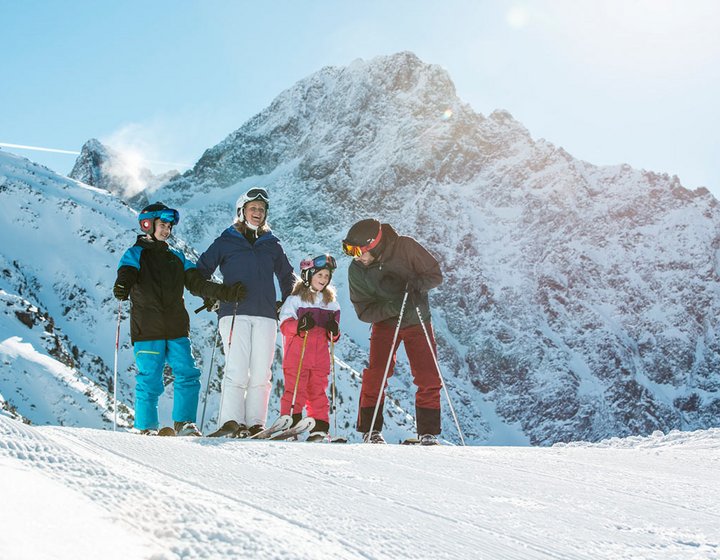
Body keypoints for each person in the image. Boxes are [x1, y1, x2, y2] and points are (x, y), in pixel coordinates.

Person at [113, 202, 246, 436]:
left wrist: (225, 292)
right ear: (148, 224)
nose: (167, 230)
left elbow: (197, 284)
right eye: (162, 225)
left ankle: (184, 423)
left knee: (187, 373)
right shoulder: (135, 253)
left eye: (169, 226)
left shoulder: (177, 257)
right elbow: (127, 273)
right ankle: (146, 428)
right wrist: (123, 284)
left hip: (176, 328)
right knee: (150, 379)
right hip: (147, 328)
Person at [197, 187, 295, 437]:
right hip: (234, 313)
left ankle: (255, 424)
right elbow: (199, 273)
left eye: (262, 210)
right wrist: (217, 295)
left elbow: (287, 276)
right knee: (238, 369)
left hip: (265, 315)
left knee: (261, 372)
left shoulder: (272, 243)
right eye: (253, 208)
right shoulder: (226, 241)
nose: (258, 213)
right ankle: (231, 421)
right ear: (241, 211)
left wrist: (287, 302)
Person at [342, 218, 443, 445]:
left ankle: (428, 433)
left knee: (427, 375)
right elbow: (364, 311)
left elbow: (435, 275)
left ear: (373, 245)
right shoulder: (356, 270)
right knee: (377, 374)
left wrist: (416, 285)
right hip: (386, 324)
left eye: (358, 250)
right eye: (350, 251)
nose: (355, 256)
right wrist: (394, 306)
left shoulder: (405, 247)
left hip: (417, 320)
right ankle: (371, 431)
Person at [278, 255, 341, 441]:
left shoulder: (331, 304)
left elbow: (334, 337)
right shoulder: (295, 300)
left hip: (320, 359)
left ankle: (319, 427)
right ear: (308, 275)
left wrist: (334, 331)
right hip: (297, 356)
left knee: (318, 393)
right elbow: (284, 325)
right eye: (319, 274)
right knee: (295, 391)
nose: (323, 279)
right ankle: (289, 423)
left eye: (326, 276)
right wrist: (299, 326)